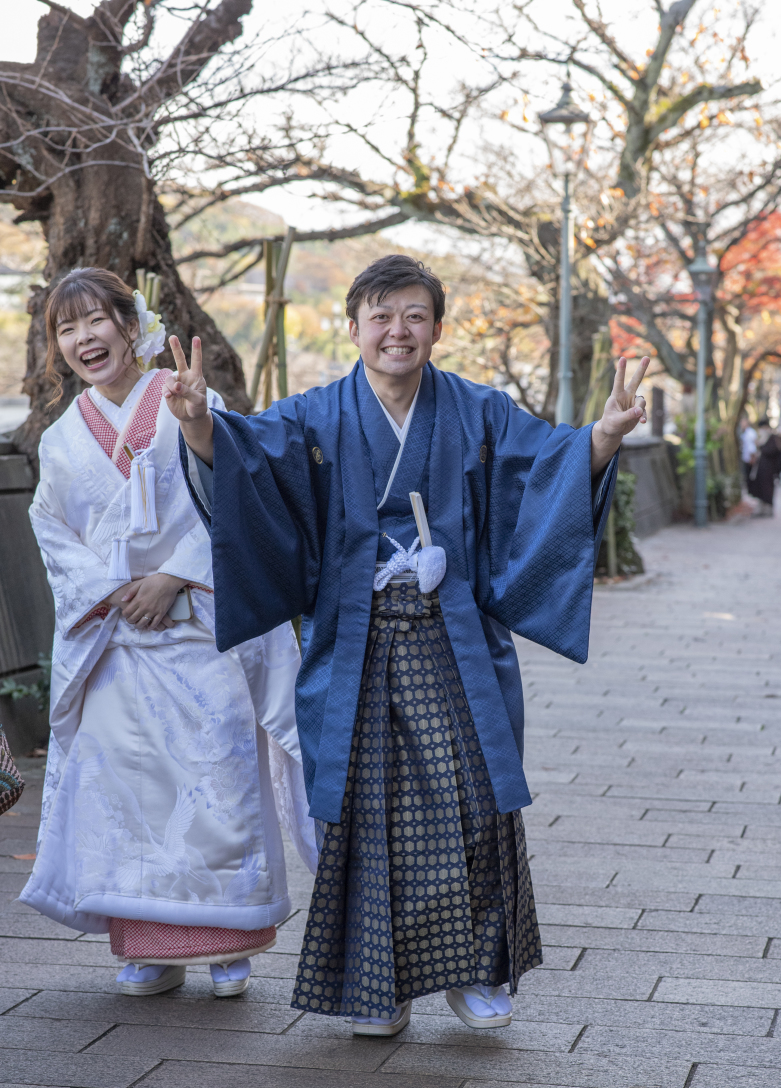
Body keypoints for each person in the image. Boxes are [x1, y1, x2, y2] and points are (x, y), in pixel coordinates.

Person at [165, 255, 648, 1035]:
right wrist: (196, 421)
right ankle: (377, 985)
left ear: (437, 328)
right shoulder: (313, 415)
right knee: (363, 813)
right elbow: (246, 465)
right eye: (381, 316)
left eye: (415, 315)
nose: (398, 331)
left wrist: (600, 436)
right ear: (352, 326)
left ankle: (475, 975)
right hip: (353, 647)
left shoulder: (479, 410)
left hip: (454, 643)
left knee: (475, 804)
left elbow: (544, 466)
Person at [21, 268, 315, 999]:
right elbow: (53, 532)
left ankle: (226, 944)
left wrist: (176, 573)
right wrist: (114, 590)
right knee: (129, 796)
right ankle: (145, 946)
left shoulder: (191, 401)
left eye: (96, 321)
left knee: (217, 784)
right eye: (66, 328)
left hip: (201, 632)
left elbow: (242, 500)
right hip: (118, 641)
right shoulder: (61, 442)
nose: (84, 338)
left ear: (130, 324)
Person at [748, 418, 781, 517]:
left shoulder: (772, 437)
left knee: (767, 489)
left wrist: (761, 447)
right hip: (760, 469)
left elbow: (775, 450)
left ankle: (768, 509)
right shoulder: (762, 438)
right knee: (760, 488)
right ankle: (762, 508)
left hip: (769, 469)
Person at [739, 415, 757, 494]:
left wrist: (752, 458)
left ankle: (752, 492)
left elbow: (752, 447)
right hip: (746, 458)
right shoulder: (745, 433)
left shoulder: (750, 432)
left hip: (749, 458)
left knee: (750, 477)